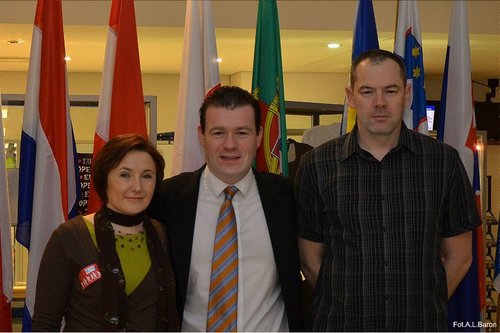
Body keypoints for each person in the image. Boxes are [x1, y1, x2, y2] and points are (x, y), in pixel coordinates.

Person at [295, 49, 481, 331]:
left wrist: (426, 304)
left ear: (407, 94)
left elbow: (460, 255)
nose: (379, 103)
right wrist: (345, 303)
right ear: (351, 95)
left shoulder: (443, 162)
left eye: (390, 91)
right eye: (367, 91)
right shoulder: (316, 165)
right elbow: (309, 258)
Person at [148, 86, 304, 331]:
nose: (230, 145)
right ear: (201, 136)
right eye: (218, 133)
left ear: (259, 136)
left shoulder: (289, 198)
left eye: (242, 133)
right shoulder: (166, 199)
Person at [32, 134, 180, 331]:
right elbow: (45, 323)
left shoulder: (159, 234)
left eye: (147, 176)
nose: (137, 187)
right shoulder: (69, 237)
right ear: (105, 178)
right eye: (125, 175)